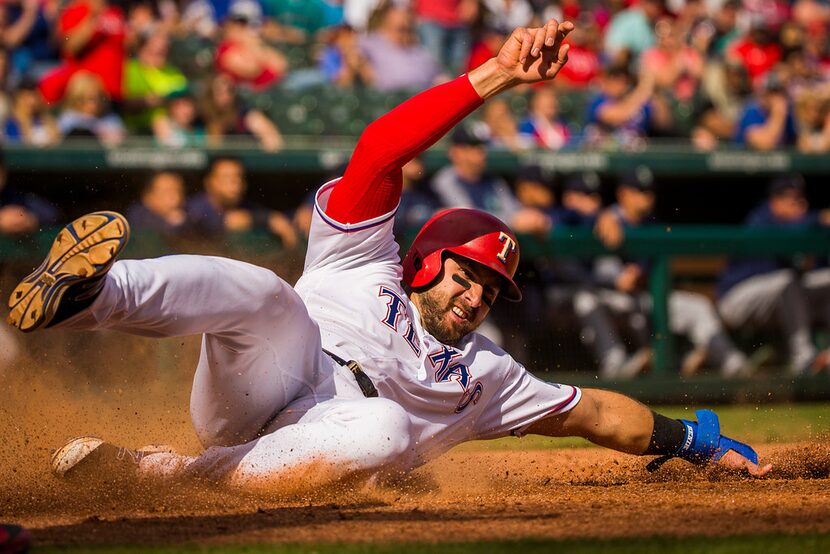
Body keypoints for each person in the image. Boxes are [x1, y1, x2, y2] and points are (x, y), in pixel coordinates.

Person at [9, 20, 770, 494]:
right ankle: (88, 296)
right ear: (429, 260)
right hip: (263, 383)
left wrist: (694, 441)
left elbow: (594, 412)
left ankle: (162, 475)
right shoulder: (363, 261)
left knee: (387, 431)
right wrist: (496, 75)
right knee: (268, 294)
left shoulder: (488, 377)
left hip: (330, 440)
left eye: (490, 288)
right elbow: (379, 149)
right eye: (467, 273)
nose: (476, 296)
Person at [593, 168, 753, 378]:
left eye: (649, 191)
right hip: (612, 297)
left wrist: (639, 274)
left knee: (698, 306)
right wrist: (616, 278)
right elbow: (594, 266)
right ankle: (630, 367)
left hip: (645, 296)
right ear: (623, 193)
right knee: (606, 306)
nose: (646, 197)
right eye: (639, 191)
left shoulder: (652, 223)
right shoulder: (605, 220)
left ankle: (733, 365)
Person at [716, 174, 830, 376]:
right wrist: (817, 219)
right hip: (737, 297)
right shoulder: (761, 220)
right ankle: (803, 358)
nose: (799, 204)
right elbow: (789, 235)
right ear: (775, 200)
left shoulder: (799, 227)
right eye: (792, 199)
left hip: (776, 298)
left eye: (801, 199)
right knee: (787, 281)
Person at [186, 156, 298, 248]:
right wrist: (223, 223)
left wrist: (270, 218)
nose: (235, 182)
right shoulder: (194, 208)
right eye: (226, 177)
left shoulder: (246, 206)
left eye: (238, 177)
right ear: (209, 182)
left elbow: (275, 219)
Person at [125, 171, 188, 236]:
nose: (176, 197)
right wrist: (170, 224)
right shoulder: (137, 215)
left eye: (179, 191)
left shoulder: (187, 212)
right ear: (148, 196)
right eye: (167, 191)